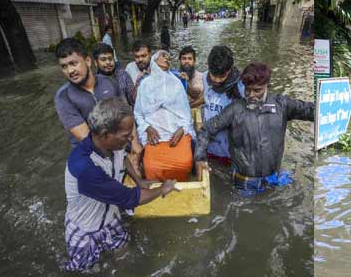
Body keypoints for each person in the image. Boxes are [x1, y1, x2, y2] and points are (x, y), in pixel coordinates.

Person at [63, 98, 178, 272]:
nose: (131, 137)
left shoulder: (114, 145)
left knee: (124, 260)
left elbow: (123, 158)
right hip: (85, 230)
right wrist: (163, 188)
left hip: (111, 218)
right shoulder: (84, 166)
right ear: (105, 134)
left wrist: (140, 181)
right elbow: (128, 198)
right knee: (85, 274)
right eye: (126, 134)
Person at [194, 63, 314, 196]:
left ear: (267, 86)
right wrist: (200, 159)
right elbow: (205, 130)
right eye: (247, 90)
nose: (251, 95)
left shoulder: (282, 104)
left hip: (275, 176)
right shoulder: (235, 109)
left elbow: (311, 110)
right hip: (245, 181)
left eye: (257, 90)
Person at [134, 50, 195, 181]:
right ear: (154, 61)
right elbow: (138, 113)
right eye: (163, 56)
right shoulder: (145, 85)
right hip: (155, 134)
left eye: (168, 57)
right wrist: (147, 128)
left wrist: (182, 129)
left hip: (176, 132)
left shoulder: (177, 83)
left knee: (184, 162)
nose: (167, 58)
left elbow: (186, 113)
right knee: (150, 166)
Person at [54, 38, 125, 148]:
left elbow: (126, 114)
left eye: (73, 63)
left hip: (120, 142)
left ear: (88, 61)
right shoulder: (64, 96)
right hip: (90, 153)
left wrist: (134, 146)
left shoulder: (109, 82)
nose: (70, 71)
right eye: (64, 66)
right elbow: (86, 137)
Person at [200, 45, 246, 166]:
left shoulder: (242, 87)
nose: (217, 80)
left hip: (230, 150)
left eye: (222, 77)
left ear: (229, 70)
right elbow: (204, 99)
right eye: (213, 75)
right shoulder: (204, 77)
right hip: (210, 145)